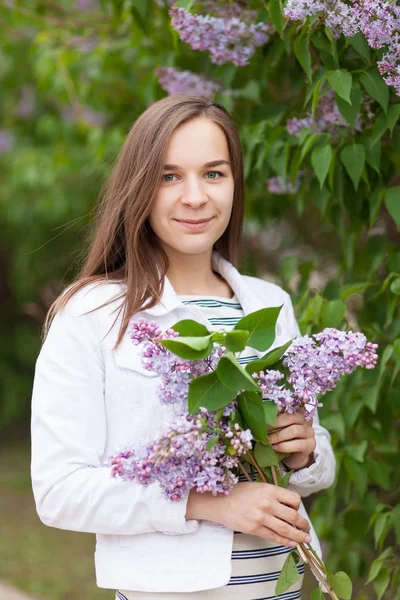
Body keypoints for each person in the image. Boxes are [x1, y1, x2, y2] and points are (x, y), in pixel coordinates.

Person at [31, 95, 336, 599]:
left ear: (235, 184)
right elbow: (59, 492)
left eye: (214, 174)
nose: (195, 197)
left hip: (284, 587)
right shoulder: (92, 315)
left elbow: (314, 468)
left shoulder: (269, 304)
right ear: (139, 188)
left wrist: (304, 454)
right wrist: (209, 502)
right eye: (169, 176)